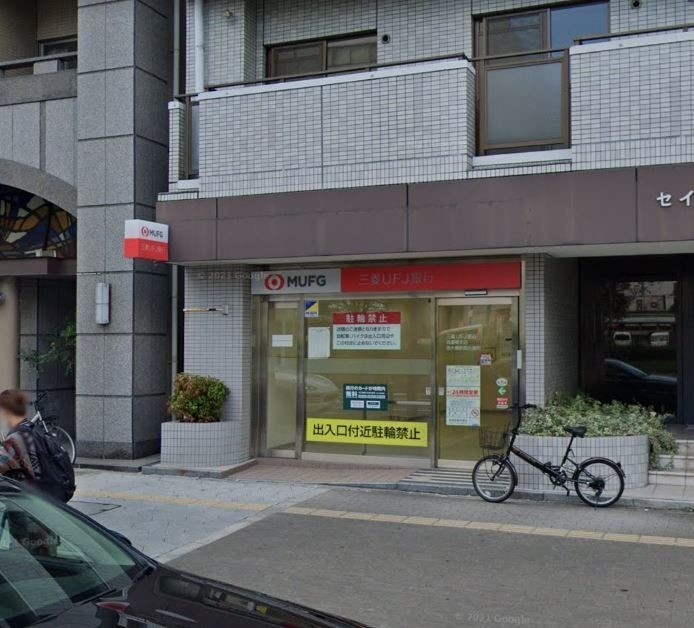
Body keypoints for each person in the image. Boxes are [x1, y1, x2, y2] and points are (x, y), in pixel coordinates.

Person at [0, 389, 41, 484]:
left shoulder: (13, 439)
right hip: (48, 488)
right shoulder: (34, 430)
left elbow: (3, 464)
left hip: (32, 490)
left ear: (6, 410)